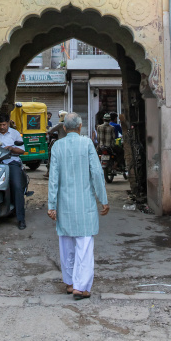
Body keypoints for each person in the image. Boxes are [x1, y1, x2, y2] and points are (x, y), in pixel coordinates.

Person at [48, 112, 109, 300]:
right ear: (80, 127)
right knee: (84, 246)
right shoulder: (87, 143)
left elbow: (53, 179)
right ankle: (81, 287)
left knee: (66, 245)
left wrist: (51, 205)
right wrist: (103, 199)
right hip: (85, 205)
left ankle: (70, 283)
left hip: (64, 205)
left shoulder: (57, 146)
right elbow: (97, 174)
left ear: (64, 128)